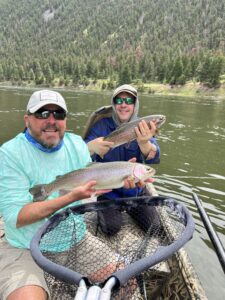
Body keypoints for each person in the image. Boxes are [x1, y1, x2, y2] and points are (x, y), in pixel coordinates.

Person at [0, 90, 138, 300]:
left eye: (58, 114)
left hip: (74, 239)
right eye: (42, 114)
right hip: (26, 246)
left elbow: (95, 178)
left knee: (127, 282)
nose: (51, 121)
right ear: (27, 119)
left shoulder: (76, 145)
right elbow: (14, 217)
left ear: (65, 119)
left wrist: (121, 172)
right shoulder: (10, 154)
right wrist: (69, 198)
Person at [85, 84, 160, 235]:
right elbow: (80, 153)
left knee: (155, 228)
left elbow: (154, 157)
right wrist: (91, 147)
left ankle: (132, 207)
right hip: (108, 192)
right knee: (110, 229)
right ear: (114, 104)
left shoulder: (142, 126)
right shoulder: (100, 126)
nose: (124, 105)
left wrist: (145, 144)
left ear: (135, 104)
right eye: (119, 101)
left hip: (136, 190)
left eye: (129, 100)